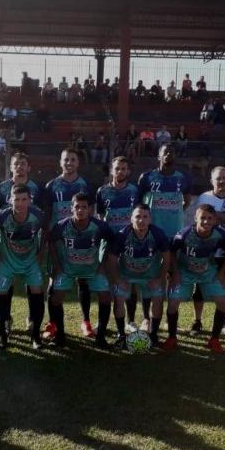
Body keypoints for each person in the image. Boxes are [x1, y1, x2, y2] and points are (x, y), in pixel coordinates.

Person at [166, 204, 225, 353]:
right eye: (203, 218)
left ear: (215, 220)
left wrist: (221, 273)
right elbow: (171, 251)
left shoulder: (221, 234)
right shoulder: (184, 234)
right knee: (172, 302)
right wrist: (175, 273)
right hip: (185, 271)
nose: (206, 221)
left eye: (210, 218)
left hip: (208, 271)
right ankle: (172, 338)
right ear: (196, 218)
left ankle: (214, 340)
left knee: (223, 303)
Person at [137, 143, 193, 331]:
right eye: (165, 152)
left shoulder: (183, 178)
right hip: (151, 233)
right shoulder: (147, 177)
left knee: (172, 275)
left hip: (174, 234)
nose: (169, 154)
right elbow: (139, 205)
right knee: (149, 274)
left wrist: (174, 215)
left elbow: (187, 201)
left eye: (172, 152)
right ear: (158, 156)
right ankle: (146, 318)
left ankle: (170, 319)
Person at [49, 193, 115, 348]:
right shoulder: (61, 226)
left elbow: (111, 241)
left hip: (93, 270)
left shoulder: (100, 226)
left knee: (105, 297)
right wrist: (57, 265)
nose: (80, 210)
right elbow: (51, 242)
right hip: (67, 269)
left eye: (84, 207)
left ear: (90, 209)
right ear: (71, 208)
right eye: (77, 207)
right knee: (56, 298)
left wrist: (102, 265)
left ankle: (100, 338)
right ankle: (60, 336)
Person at [43, 148, 94, 339]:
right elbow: (47, 214)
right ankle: (52, 323)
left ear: (78, 163)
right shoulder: (51, 186)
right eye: (66, 159)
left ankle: (86, 321)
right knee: (54, 280)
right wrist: (48, 238)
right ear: (60, 162)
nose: (69, 163)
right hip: (59, 241)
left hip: (81, 239)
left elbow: (91, 213)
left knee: (83, 280)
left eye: (73, 159)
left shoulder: (85, 185)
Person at [106, 204, 171, 351]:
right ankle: (121, 335)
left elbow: (167, 258)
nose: (141, 220)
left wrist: (160, 278)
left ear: (150, 219)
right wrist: (118, 279)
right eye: (137, 216)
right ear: (131, 219)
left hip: (150, 275)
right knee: (119, 297)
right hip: (126, 275)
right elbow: (112, 258)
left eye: (145, 217)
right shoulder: (122, 235)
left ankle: (153, 335)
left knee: (158, 298)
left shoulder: (158, 234)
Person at [0, 185, 48, 349]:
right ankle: (2, 336)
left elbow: (45, 230)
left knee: (37, 291)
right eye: (17, 199)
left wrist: (41, 251)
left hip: (30, 262)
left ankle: (35, 336)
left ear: (30, 200)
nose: (20, 203)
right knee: (1, 293)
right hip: (8, 262)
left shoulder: (38, 215)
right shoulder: (1, 216)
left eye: (24, 199)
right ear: (10, 200)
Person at [191, 166, 225, 336]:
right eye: (218, 178)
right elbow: (198, 220)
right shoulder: (204, 197)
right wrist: (221, 217)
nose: (221, 181)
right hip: (204, 247)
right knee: (199, 286)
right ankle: (197, 321)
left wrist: (214, 215)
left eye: (224, 178)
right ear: (211, 181)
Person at [96, 157, 141, 332]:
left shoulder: (134, 191)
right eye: (117, 168)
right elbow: (100, 217)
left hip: (130, 241)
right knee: (106, 283)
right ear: (111, 170)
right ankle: (103, 322)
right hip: (109, 242)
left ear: (128, 171)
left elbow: (139, 216)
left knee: (131, 282)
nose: (120, 171)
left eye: (123, 168)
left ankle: (131, 321)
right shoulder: (102, 191)